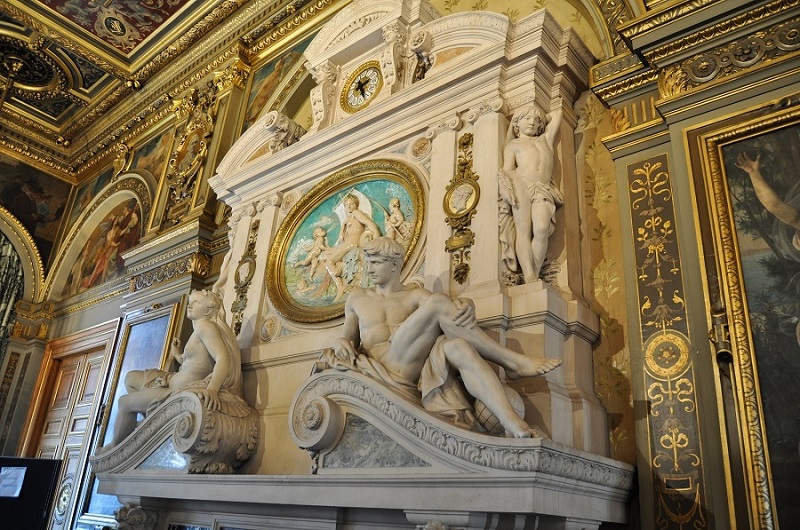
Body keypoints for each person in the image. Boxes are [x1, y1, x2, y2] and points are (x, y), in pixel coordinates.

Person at [326, 237, 561, 437]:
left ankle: (512, 421)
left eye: (376, 263)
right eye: (368, 262)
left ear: (395, 265)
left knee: (458, 346)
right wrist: (340, 342)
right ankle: (513, 362)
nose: (369, 269)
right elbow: (347, 336)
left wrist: (467, 304)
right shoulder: (358, 297)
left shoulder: (414, 296)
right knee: (438, 302)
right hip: (379, 367)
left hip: (408, 367)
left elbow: (450, 308)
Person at [99, 289, 243, 450]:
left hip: (177, 389)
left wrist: (212, 389)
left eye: (196, 303)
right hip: (171, 379)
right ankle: (150, 420)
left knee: (124, 403)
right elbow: (194, 362)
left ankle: (116, 447)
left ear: (207, 310)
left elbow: (223, 358)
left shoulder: (206, 326)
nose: (190, 305)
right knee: (131, 379)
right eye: (191, 301)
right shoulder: (199, 329)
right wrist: (178, 355)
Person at [498, 103, 563, 283]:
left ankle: (533, 270)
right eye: (527, 119)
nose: (532, 122)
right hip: (520, 184)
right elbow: (507, 170)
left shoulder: (545, 140)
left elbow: (557, 113)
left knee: (542, 228)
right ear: (517, 124)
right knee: (523, 230)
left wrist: (540, 114)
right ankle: (529, 276)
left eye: (536, 120)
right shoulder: (513, 145)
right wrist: (505, 188)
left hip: (542, 188)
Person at [318, 193, 381, 299]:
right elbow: (340, 239)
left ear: (356, 204)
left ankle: (340, 287)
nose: (349, 206)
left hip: (352, 243)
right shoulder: (348, 219)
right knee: (323, 255)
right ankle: (339, 270)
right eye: (346, 204)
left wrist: (377, 239)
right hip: (346, 243)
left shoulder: (357, 213)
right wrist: (343, 225)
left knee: (329, 261)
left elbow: (370, 224)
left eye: (351, 204)